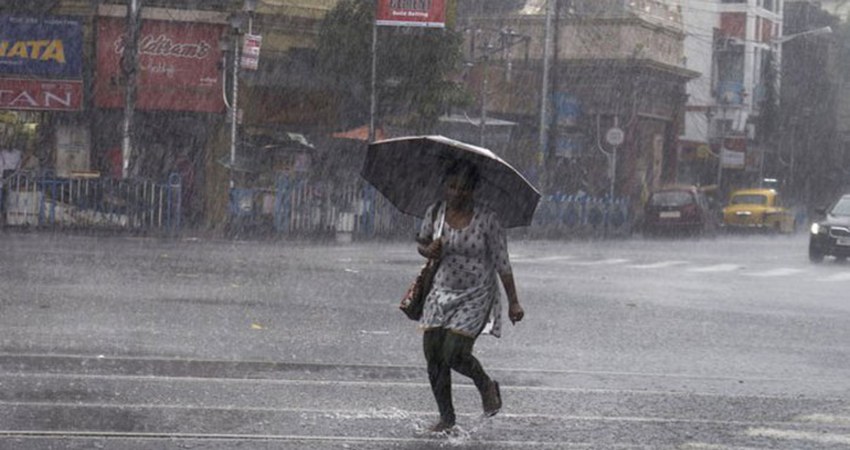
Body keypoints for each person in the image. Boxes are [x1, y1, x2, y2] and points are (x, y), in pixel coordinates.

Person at [416, 159, 525, 433]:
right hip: (440, 290)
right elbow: (422, 243)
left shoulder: (488, 219)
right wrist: (430, 250)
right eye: (452, 186)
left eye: (463, 188)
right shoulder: (436, 213)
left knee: (454, 352)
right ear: (445, 187)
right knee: (433, 353)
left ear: (474, 190)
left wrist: (513, 301)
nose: (456, 193)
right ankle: (446, 417)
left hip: (476, 293)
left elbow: (502, 262)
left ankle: (485, 385)